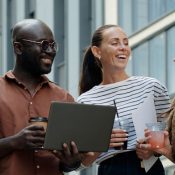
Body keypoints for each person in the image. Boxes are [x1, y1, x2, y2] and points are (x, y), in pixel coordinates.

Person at [77, 24, 170, 175]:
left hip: (148, 167)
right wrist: (101, 143)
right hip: (110, 169)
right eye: (115, 43)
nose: (123, 47)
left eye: (125, 43)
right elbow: (81, 164)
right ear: (97, 51)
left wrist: (153, 150)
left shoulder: (152, 86)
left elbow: (166, 134)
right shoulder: (86, 101)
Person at [0, 19, 82, 175]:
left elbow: (71, 164)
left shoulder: (64, 98)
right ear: (18, 48)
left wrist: (71, 162)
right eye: (44, 44)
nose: (51, 51)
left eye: (53, 45)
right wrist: (15, 142)